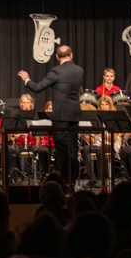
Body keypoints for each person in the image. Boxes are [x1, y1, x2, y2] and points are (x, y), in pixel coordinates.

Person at [18, 45, 85, 187]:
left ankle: (65, 179)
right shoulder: (79, 70)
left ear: (56, 56)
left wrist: (27, 79)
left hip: (61, 116)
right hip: (74, 115)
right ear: (71, 55)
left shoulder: (56, 71)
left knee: (62, 148)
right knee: (72, 148)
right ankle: (71, 179)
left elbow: (37, 88)